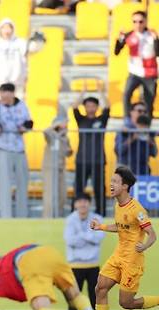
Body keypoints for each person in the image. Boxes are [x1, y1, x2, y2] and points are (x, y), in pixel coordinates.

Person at [91, 166, 159, 310]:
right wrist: (101, 227)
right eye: (111, 181)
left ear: (125, 186)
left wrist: (144, 246)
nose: (111, 184)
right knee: (100, 288)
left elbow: (152, 234)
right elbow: (121, 227)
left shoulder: (137, 209)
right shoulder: (117, 205)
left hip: (132, 259)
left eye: (115, 181)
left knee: (126, 303)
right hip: (118, 254)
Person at [0, 83, 34, 218]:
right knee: (4, 184)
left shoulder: (22, 106)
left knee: (22, 182)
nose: (4, 96)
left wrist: (24, 128)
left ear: (12, 93)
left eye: (7, 93)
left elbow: (30, 122)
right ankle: (5, 216)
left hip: (19, 149)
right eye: (2, 93)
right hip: (3, 148)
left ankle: (22, 215)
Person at [72, 85, 110, 216]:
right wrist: (82, 92)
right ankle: (75, 213)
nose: (90, 108)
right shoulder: (81, 120)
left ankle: (101, 214)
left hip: (98, 160)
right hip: (82, 159)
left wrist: (101, 91)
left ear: (96, 107)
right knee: (78, 188)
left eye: (93, 105)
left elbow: (108, 107)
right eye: (87, 106)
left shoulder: (101, 120)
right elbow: (74, 107)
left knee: (99, 189)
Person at [114, 10, 159, 117]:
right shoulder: (129, 35)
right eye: (135, 21)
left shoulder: (151, 34)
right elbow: (117, 52)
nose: (138, 24)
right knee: (126, 95)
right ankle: (127, 120)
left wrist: (156, 40)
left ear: (145, 22)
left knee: (149, 99)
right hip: (134, 72)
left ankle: (147, 123)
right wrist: (119, 40)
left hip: (150, 72)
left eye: (140, 21)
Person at [64, 192, 104, 310]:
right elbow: (70, 241)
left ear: (89, 203)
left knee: (95, 296)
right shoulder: (70, 220)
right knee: (74, 296)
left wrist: (80, 235)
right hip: (75, 265)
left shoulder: (97, 218)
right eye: (80, 202)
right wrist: (89, 236)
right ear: (75, 204)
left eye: (85, 201)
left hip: (93, 264)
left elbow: (99, 238)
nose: (82, 204)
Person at [42, 115, 72, 218]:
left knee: (62, 196)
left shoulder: (65, 138)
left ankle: (57, 217)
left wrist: (69, 151)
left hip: (61, 168)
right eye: (64, 123)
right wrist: (56, 125)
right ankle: (47, 219)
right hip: (50, 168)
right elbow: (45, 131)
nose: (66, 125)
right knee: (50, 196)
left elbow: (68, 152)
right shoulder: (51, 135)